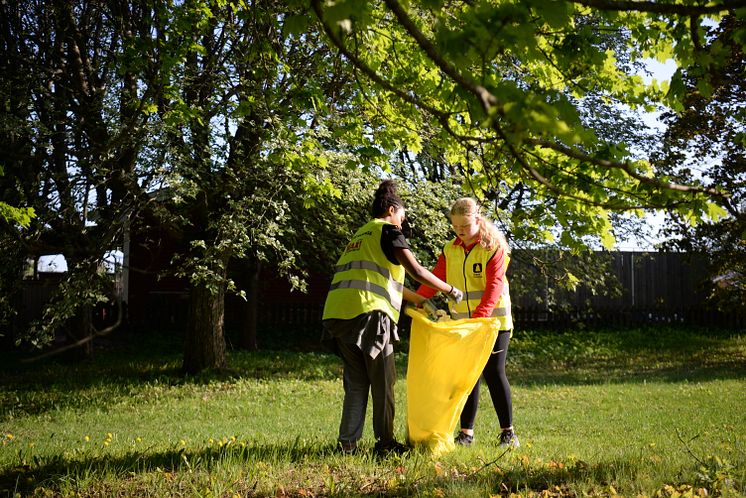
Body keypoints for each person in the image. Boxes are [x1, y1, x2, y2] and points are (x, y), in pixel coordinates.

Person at [322, 180, 463, 457]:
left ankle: (347, 445)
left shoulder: (360, 236)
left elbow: (386, 282)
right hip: (369, 315)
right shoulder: (388, 230)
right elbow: (417, 270)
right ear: (391, 210)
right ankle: (385, 443)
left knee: (357, 383)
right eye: (402, 216)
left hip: (339, 315)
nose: (403, 222)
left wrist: (420, 300)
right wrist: (450, 289)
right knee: (384, 381)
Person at [416, 197, 519, 448]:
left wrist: (481, 318)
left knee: (494, 373)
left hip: (494, 323)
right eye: (456, 227)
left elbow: (494, 286)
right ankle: (466, 434)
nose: (460, 231)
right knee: (465, 378)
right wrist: (417, 299)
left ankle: (508, 433)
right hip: (463, 325)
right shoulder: (450, 249)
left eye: (465, 226)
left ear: (477, 220)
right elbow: (436, 279)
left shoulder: (493, 247)